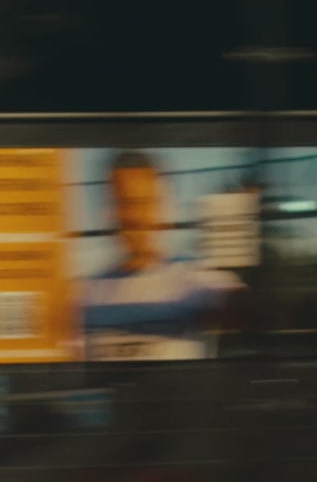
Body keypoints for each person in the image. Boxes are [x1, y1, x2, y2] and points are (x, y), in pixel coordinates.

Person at [79, 150, 243, 362]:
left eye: (145, 203)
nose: (135, 216)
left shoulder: (194, 279)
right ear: (109, 210)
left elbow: (241, 305)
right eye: (124, 203)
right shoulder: (86, 293)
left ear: (164, 208)